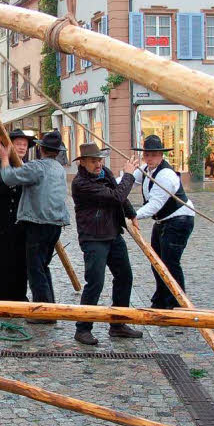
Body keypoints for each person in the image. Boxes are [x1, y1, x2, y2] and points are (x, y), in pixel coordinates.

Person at [70, 143, 142, 345]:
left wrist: (131, 213)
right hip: (93, 237)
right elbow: (116, 195)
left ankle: (118, 324)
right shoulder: (81, 184)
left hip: (112, 233)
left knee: (125, 276)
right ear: (83, 163)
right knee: (95, 282)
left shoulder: (105, 172)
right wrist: (129, 174)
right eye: (93, 161)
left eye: (100, 160)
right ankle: (82, 328)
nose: (98, 164)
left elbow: (120, 197)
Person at [0, 130, 70, 319]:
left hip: (38, 223)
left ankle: (43, 313)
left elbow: (8, 178)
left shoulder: (38, 167)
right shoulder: (59, 168)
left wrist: (4, 159)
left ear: (41, 149)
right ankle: (49, 306)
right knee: (43, 266)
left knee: (35, 269)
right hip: (55, 223)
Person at [130, 135, 195, 309]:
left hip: (179, 220)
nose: (149, 158)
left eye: (153, 154)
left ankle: (177, 302)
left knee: (170, 262)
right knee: (156, 261)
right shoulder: (145, 170)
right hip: (163, 221)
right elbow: (128, 182)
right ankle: (161, 297)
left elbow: (155, 205)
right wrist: (109, 184)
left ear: (161, 155)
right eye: (147, 154)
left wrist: (132, 215)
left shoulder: (166, 175)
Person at [0, 130, 34, 301]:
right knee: (5, 262)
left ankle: (19, 298)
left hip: (21, 223)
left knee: (22, 262)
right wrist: (8, 171)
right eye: (18, 144)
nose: (21, 147)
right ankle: (1, 300)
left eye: (24, 144)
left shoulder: (29, 168)